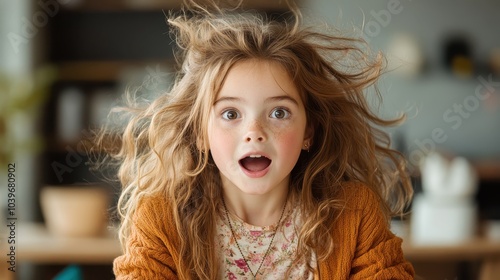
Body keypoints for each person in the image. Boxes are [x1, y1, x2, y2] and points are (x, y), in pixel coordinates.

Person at [99, 1, 415, 279]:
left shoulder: (354, 212)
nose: (255, 131)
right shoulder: (162, 219)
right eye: (230, 114)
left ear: (309, 132)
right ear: (199, 133)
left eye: (279, 112)